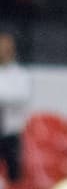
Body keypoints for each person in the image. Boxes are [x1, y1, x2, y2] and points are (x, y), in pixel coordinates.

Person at [0, 30, 32, 181]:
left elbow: (21, 96)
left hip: (11, 132)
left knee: (14, 173)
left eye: (6, 48)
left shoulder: (20, 74)